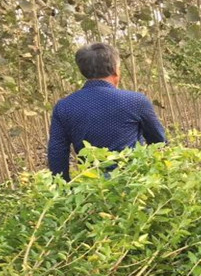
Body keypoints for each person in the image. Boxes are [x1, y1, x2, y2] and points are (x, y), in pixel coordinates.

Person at [47, 42, 166, 180]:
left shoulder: (64, 106)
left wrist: (64, 190)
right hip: (133, 186)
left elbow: (57, 153)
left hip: (92, 187)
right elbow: (159, 143)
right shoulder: (136, 101)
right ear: (115, 69)